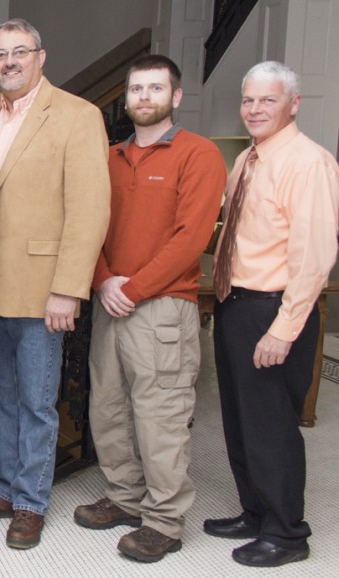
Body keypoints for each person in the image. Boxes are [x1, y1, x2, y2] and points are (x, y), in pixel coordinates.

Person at [0, 18, 110, 549]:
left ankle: (29, 503)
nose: (9, 62)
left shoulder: (77, 115)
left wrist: (69, 286)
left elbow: (89, 209)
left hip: (43, 286)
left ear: (40, 57)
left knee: (37, 401)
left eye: (19, 52)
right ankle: (3, 486)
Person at [73, 55, 226, 563]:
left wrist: (131, 288)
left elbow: (191, 240)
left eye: (154, 89)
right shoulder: (109, 157)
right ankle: (124, 497)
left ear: (175, 97)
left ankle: (163, 519)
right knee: (108, 409)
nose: (143, 97)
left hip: (161, 307)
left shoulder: (199, 155)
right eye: (136, 88)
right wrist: (101, 280)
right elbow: (87, 224)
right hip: (110, 300)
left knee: (160, 417)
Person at [206, 60, 339, 568]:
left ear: (294, 104)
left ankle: (286, 533)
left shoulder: (309, 163)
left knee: (272, 427)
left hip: (272, 309)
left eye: (268, 100)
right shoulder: (248, 161)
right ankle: (255, 512)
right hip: (235, 303)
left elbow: (313, 258)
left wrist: (284, 329)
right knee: (240, 421)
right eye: (248, 100)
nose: (255, 109)